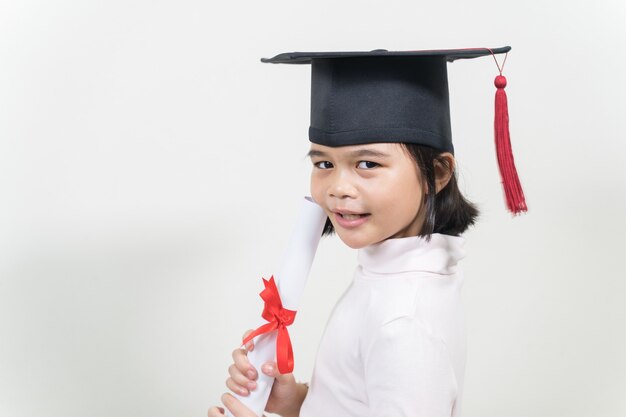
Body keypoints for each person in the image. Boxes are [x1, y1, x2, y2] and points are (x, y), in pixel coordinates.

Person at [208, 46, 526, 417]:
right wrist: (301, 403)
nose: (338, 187)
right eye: (324, 163)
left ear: (438, 174)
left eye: (367, 163)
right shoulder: (390, 278)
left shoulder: (403, 320)